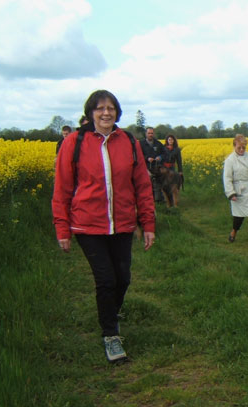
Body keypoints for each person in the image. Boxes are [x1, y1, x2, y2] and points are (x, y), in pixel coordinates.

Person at [52, 89, 156, 363]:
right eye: (100, 108)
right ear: (90, 113)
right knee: (106, 280)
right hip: (88, 225)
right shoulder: (74, 142)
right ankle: (111, 335)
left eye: (110, 107)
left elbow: (142, 185)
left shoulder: (128, 142)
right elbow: (62, 188)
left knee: (123, 278)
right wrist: (62, 228)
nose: (106, 112)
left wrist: (147, 222)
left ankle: (110, 312)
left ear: (117, 112)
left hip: (122, 223)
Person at [223, 134, 248, 246]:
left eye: (243, 147)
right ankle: (234, 232)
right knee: (239, 216)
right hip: (238, 190)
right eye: (239, 148)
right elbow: (227, 178)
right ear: (234, 146)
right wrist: (231, 193)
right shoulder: (230, 160)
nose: (241, 150)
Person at [140, 127, 167, 202]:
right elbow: (138, 155)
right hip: (145, 167)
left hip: (156, 168)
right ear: (146, 134)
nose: (150, 135)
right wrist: (147, 158)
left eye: (152, 133)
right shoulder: (141, 144)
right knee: (146, 185)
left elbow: (164, 154)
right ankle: (147, 200)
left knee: (158, 184)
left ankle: (158, 199)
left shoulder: (158, 143)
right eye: (149, 133)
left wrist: (160, 157)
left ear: (153, 134)